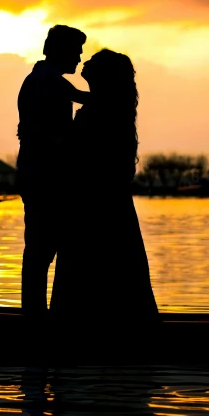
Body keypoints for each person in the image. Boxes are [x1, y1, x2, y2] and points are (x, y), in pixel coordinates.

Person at [50, 48, 160, 353]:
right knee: (117, 277)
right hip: (109, 208)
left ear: (104, 76)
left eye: (93, 63)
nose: (84, 64)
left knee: (91, 276)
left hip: (94, 209)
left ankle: (85, 340)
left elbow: (81, 158)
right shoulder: (112, 107)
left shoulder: (103, 112)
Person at [17, 24, 88, 317]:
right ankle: (34, 317)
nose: (80, 57)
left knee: (42, 248)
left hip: (43, 176)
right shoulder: (43, 81)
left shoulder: (48, 80)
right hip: (43, 178)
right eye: (77, 50)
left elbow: (82, 99)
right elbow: (33, 131)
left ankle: (35, 314)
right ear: (60, 50)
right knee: (40, 250)